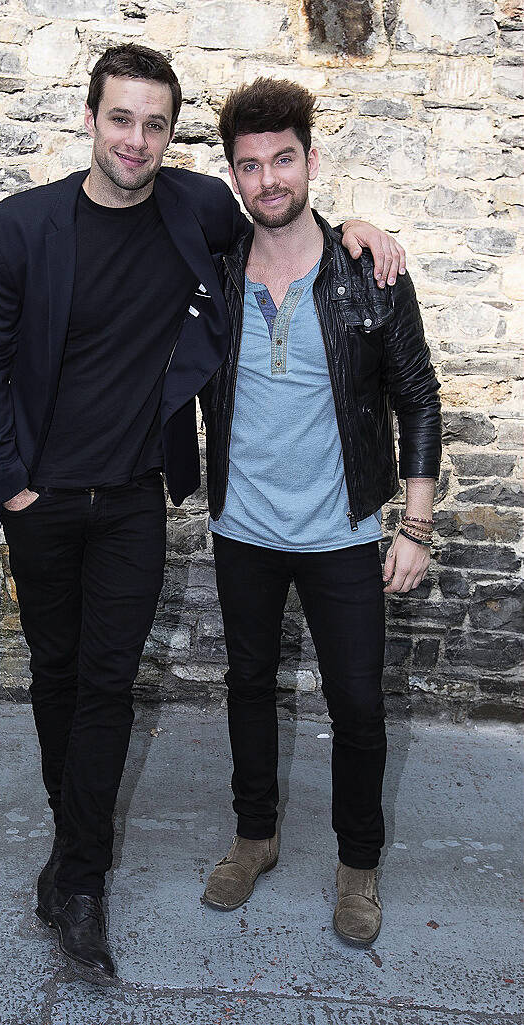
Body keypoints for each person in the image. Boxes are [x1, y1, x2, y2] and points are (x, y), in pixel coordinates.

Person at [0, 44, 407, 981]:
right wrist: (11, 485)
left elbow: (281, 210)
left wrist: (360, 226)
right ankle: (73, 840)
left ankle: (80, 881)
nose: (135, 139)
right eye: (120, 119)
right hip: (42, 501)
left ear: (170, 135)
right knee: (56, 676)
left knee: (108, 686)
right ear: (89, 120)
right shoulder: (13, 229)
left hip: (129, 500)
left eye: (154, 124)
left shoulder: (190, 205)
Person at [199, 78, 441, 947]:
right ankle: (254, 836)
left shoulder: (365, 273)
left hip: (342, 532)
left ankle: (357, 863)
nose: (268, 179)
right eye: (249, 165)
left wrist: (412, 526)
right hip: (242, 531)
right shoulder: (214, 268)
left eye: (283, 159)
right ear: (232, 174)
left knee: (357, 707)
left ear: (310, 159)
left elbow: (417, 397)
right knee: (247, 687)